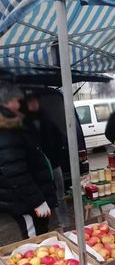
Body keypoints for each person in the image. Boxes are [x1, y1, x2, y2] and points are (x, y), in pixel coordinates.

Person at [0, 81, 57, 239]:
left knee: (40, 234)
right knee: (34, 241)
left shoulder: (13, 123)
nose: (20, 103)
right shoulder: (6, 129)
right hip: (24, 202)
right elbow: (15, 172)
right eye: (18, 100)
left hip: (27, 197)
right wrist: (37, 201)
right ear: (7, 102)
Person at [22, 95, 71, 228]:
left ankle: (65, 224)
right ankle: (45, 227)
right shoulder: (23, 124)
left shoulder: (46, 119)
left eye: (35, 100)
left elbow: (60, 137)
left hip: (54, 164)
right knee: (43, 198)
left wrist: (57, 152)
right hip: (37, 169)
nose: (34, 104)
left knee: (60, 197)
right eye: (30, 101)